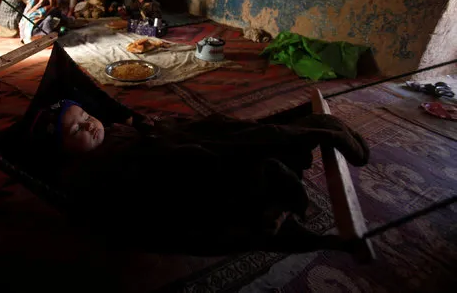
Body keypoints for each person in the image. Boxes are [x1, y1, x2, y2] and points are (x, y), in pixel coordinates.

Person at [26, 97, 370, 253]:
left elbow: (136, 125)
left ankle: (311, 131)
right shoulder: (83, 171)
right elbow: (119, 198)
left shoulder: (110, 129)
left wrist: (142, 125)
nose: (89, 123)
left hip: (173, 137)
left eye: (86, 114)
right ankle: (272, 180)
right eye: (76, 131)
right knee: (207, 162)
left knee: (221, 128)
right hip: (167, 171)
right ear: (65, 152)